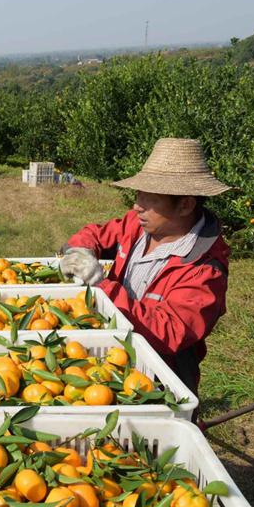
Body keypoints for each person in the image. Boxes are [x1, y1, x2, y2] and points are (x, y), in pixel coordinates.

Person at [59, 138, 231, 396]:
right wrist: (80, 250)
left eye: (150, 200)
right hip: (111, 358)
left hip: (157, 380)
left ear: (185, 205)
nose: (137, 206)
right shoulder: (139, 226)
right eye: (138, 195)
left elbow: (169, 331)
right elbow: (97, 234)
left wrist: (103, 287)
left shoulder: (204, 270)